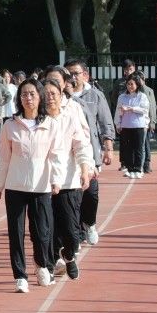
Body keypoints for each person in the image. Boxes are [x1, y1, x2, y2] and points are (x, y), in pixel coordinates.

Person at [0, 77, 65, 293]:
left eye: (32, 94)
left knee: (42, 231)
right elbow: (3, 157)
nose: (28, 98)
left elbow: (57, 156)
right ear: (19, 98)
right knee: (16, 233)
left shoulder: (50, 125)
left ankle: (42, 265)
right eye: (24, 94)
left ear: (40, 97)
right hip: (15, 186)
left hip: (41, 186)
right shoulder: (10, 125)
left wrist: (56, 180)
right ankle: (20, 276)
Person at [43, 75, 95, 280]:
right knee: (47, 228)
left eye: (53, 93)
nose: (50, 97)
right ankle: (49, 264)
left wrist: (85, 169)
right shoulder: (37, 119)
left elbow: (81, 144)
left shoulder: (71, 114)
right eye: (46, 94)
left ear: (61, 93)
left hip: (68, 180)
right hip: (43, 182)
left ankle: (68, 254)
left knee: (72, 232)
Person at [64, 59, 116, 246]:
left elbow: (105, 121)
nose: (72, 77)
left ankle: (90, 223)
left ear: (85, 75)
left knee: (91, 194)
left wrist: (108, 147)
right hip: (67, 153)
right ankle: (76, 233)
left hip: (89, 151)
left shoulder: (95, 95)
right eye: (68, 74)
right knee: (74, 195)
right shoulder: (60, 96)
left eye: (75, 73)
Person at [114, 75, 150, 179]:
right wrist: (118, 124)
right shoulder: (122, 97)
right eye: (128, 84)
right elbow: (118, 111)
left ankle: (138, 169)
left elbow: (144, 110)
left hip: (138, 125)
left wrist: (132, 109)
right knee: (128, 149)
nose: (130, 86)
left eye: (132, 84)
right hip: (126, 125)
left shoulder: (142, 96)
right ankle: (130, 169)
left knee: (138, 148)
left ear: (137, 85)